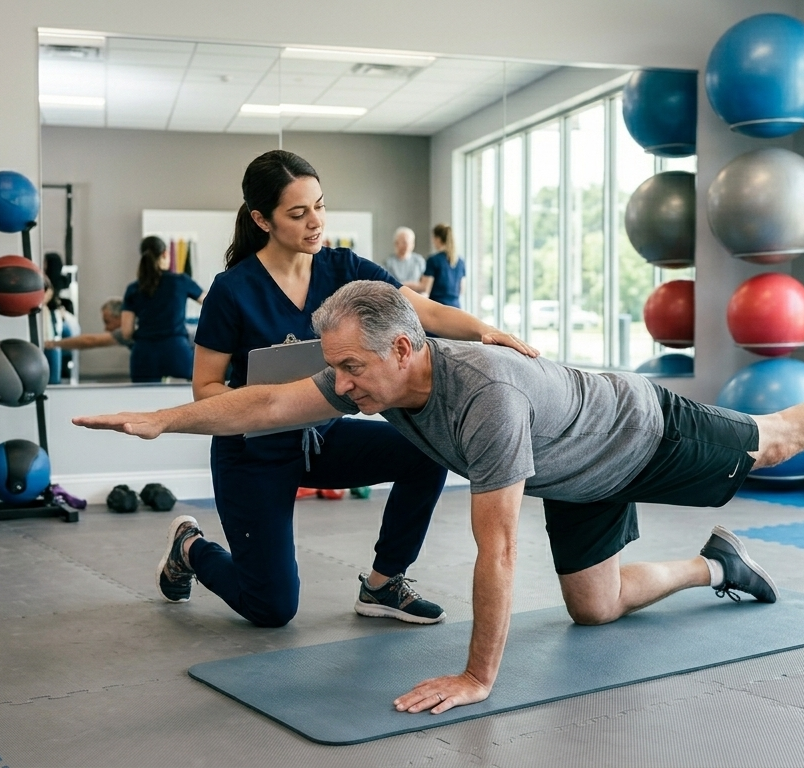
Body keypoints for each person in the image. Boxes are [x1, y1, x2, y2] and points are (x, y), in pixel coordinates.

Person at [73, 280, 804, 715]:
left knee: (774, 441)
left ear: (409, 349)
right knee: (596, 610)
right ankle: (711, 563)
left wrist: (476, 675)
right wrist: (165, 418)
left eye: (352, 367)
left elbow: (497, 549)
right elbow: (266, 402)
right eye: (333, 366)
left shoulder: (482, 399)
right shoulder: (370, 380)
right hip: (579, 474)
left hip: (645, 431)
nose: (338, 384)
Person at [152, 150, 536, 630]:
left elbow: (421, 310)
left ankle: (383, 583)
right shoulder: (232, 290)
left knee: (427, 451)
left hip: (322, 438)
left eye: (319, 205)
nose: (315, 222)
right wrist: (263, 402)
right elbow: (204, 388)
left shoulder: (344, 268)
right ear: (261, 219)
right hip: (252, 453)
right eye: (298, 213)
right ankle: (190, 545)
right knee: (270, 609)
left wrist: (483, 331)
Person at [122, 236, 206, 383]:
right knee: (184, 402)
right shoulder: (181, 281)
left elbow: (126, 332)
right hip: (177, 352)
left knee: (143, 403)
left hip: (144, 354)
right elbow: (212, 304)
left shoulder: (133, 288)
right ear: (165, 254)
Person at [46, 298, 134, 352]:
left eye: (107, 322)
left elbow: (90, 341)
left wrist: (52, 344)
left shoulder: (131, 329)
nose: (106, 329)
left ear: (121, 317)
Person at [419, 224, 465, 308]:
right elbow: (461, 290)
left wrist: (404, 284)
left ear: (438, 239)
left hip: (438, 308)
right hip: (456, 308)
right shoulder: (460, 262)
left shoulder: (433, 260)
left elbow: (425, 288)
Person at [380, 227, 427, 293]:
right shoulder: (388, 263)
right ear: (396, 243)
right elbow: (386, 285)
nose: (407, 245)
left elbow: (425, 286)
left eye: (410, 242)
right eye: (404, 242)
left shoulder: (419, 261)